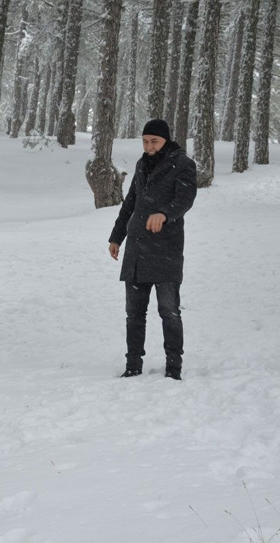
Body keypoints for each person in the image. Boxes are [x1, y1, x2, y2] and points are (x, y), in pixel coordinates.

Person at [108, 119, 197, 380]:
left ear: (166, 140)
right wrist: (116, 237)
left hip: (165, 250)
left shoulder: (182, 164)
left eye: (154, 141)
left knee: (169, 311)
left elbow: (185, 198)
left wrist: (164, 214)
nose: (148, 146)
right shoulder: (141, 164)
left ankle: (173, 367)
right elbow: (130, 204)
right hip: (136, 250)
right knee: (133, 313)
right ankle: (133, 365)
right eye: (145, 141)